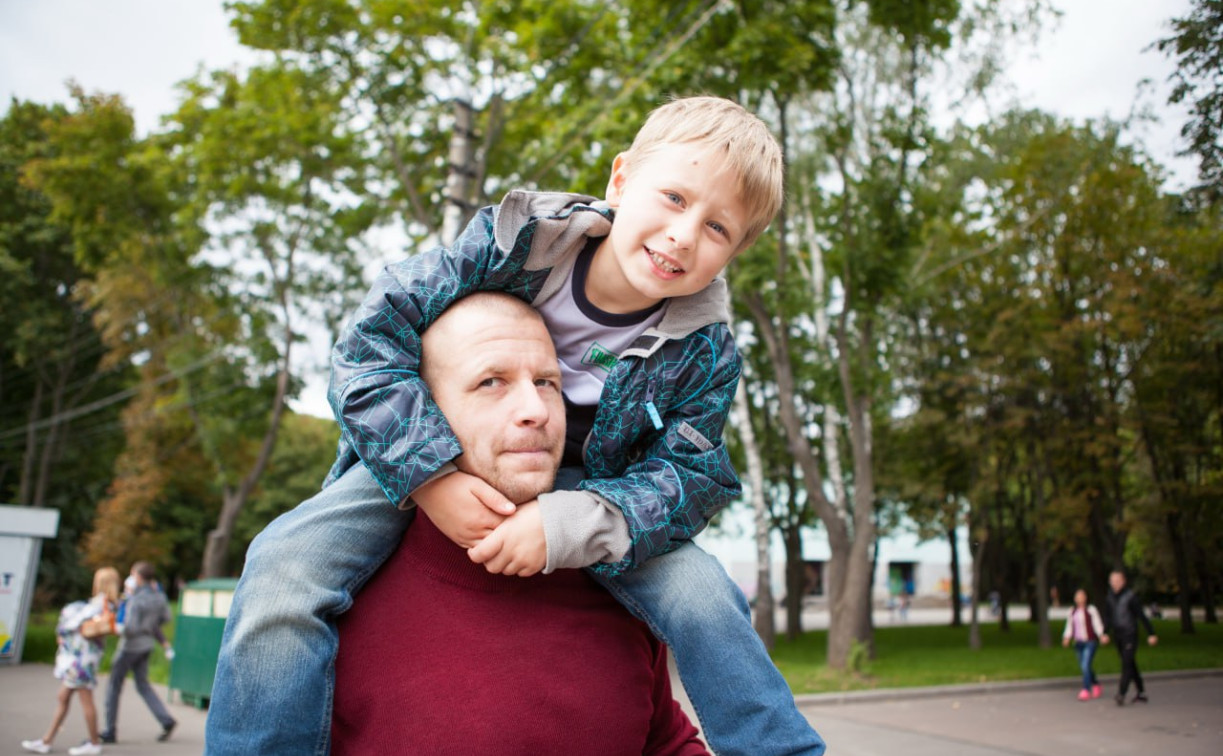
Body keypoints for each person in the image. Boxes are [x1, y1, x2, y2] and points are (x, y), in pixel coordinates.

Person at [207, 95, 826, 756]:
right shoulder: (517, 245)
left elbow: (690, 475)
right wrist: (431, 476)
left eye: (717, 229)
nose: (683, 234)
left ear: (739, 247)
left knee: (708, 599)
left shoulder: (703, 351)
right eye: (673, 198)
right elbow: (369, 347)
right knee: (280, 567)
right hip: (431, 450)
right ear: (620, 179)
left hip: (603, 496)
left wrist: (572, 523)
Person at [332, 292, 710, 753]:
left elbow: (665, 742)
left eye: (548, 382)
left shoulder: (618, 572)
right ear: (424, 410)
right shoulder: (336, 597)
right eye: (492, 381)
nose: (537, 409)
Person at [21, 567, 121, 756]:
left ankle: (93, 742)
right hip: (84, 659)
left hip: (80, 661)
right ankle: (47, 740)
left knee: (85, 700)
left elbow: (72, 623)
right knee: (63, 698)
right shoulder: (106, 605)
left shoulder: (100, 604)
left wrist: (63, 629)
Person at [99, 562, 177, 744]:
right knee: (142, 684)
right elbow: (166, 617)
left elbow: (130, 628)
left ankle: (109, 730)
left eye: (133, 574)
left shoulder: (136, 599)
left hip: (129, 647)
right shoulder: (158, 597)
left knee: (113, 686)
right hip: (147, 644)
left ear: (139, 577)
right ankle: (166, 719)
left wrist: (115, 628)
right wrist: (149, 626)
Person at [1101, 569, 1158, 706]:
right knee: (1130, 663)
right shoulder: (1109, 598)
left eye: (1117, 581)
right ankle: (1141, 692)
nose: (1115, 584)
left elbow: (1141, 616)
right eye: (1112, 581)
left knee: (1126, 663)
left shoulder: (1130, 597)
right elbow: (1108, 618)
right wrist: (1104, 632)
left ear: (1123, 581)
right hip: (1118, 635)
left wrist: (1151, 633)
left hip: (1130, 634)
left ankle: (1121, 693)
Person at [1061, 588, 1104, 700]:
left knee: (1085, 665)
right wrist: (1067, 637)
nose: (1079, 598)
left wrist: (1101, 635)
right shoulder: (1072, 611)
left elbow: (1097, 624)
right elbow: (1069, 626)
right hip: (1078, 642)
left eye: (1082, 596)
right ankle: (1095, 684)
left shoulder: (1091, 610)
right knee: (1085, 666)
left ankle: (1086, 689)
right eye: (1077, 596)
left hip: (1090, 641)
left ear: (1086, 597)